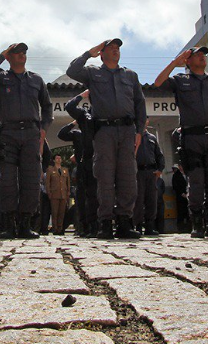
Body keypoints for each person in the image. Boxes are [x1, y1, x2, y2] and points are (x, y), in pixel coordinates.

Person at [67, 39, 146, 239]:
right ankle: (105, 222)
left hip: (128, 131)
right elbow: (72, 70)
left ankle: (125, 222)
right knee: (105, 177)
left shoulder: (130, 75)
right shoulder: (93, 73)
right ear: (102, 53)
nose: (115, 51)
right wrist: (89, 53)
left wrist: (139, 132)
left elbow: (139, 104)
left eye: (117, 48)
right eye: (110, 48)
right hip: (104, 131)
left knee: (128, 177)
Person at [155, 47, 208, 239]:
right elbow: (159, 82)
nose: (202, 56)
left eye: (203, 54)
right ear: (188, 61)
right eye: (197, 54)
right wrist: (175, 62)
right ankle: (197, 223)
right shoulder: (181, 80)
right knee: (196, 181)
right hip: (192, 137)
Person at [0, 43, 52, 239]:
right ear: (10, 57)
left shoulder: (37, 79)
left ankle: (25, 224)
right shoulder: (1, 78)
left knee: (31, 180)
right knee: (8, 181)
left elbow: (47, 107)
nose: (21, 55)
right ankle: (9, 225)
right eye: (16, 53)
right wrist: (1, 55)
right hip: (9, 134)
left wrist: (43, 130)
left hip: (31, 134)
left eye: (24, 52)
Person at [63, 93, 99, 238]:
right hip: (87, 162)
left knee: (100, 196)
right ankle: (88, 227)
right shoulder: (85, 115)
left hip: (103, 159)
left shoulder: (107, 115)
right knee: (87, 197)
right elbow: (69, 106)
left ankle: (101, 225)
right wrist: (82, 95)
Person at [133, 121, 165, 236]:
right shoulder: (133, 136)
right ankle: (137, 226)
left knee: (152, 199)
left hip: (151, 172)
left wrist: (160, 169)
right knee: (138, 199)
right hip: (138, 172)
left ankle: (150, 226)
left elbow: (159, 155)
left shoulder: (152, 137)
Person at [45, 155, 71, 235]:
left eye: (60, 158)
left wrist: (68, 192)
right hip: (54, 193)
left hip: (63, 194)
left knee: (62, 212)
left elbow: (68, 182)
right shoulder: (50, 170)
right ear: (54, 160)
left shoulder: (65, 170)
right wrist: (49, 192)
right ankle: (55, 228)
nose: (58, 160)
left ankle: (60, 228)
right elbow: (48, 182)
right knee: (54, 212)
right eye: (57, 158)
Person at [171, 164, 189, 232]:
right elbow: (175, 186)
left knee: (189, 212)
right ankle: (180, 228)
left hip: (189, 196)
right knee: (180, 212)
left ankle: (189, 227)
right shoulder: (176, 175)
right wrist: (182, 193)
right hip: (180, 197)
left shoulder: (188, 174)